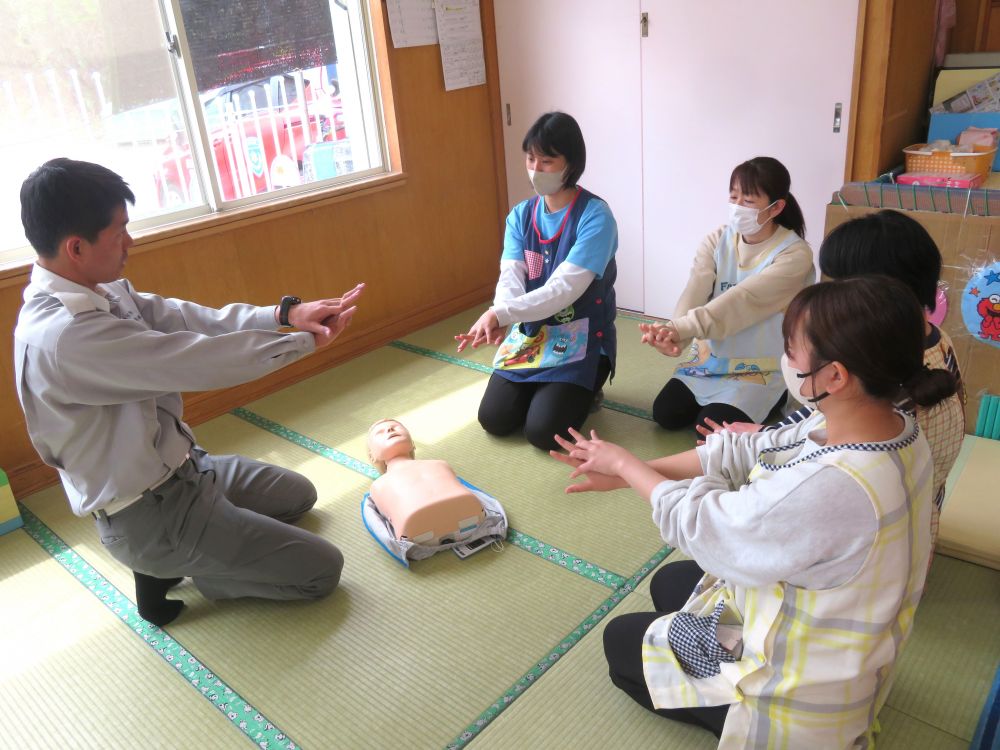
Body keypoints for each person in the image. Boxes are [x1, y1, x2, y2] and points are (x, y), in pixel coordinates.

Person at [552, 276, 957, 745]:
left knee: (619, 642)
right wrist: (631, 472)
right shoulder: (892, 425)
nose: (786, 361)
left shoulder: (834, 487)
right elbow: (749, 447)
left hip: (797, 691)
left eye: (792, 350)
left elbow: (708, 526)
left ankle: (740, 711)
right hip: (843, 635)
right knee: (668, 583)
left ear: (836, 376)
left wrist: (624, 463)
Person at [14, 158, 363, 626]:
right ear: (76, 247)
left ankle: (194, 551)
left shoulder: (99, 289)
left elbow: (184, 318)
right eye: (120, 232)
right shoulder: (66, 337)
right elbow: (196, 359)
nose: (130, 243)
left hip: (186, 469)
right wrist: (307, 342)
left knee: (297, 495)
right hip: (148, 514)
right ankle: (178, 565)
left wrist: (283, 316)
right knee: (322, 571)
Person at [698, 209, 967, 548]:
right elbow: (825, 419)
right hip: (919, 515)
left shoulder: (876, 373)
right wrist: (769, 433)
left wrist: (766, 437)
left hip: (873, 541)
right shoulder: (935, 339)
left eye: (836, 288)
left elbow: (828, 451)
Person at [456, 111, 618, 451]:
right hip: (532, 335)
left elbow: (563, 290)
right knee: (495, 419)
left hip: (581, 338)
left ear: (571, 163)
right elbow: (511, 275)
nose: (535, 170)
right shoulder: (520, 216)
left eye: (547, 161)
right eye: (530, 159)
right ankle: (547, 391)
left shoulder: (595, 216)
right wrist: (502, 313)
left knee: (544, 433)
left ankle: (588, 387)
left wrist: (502, 315)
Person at [642, 156, 814, 435]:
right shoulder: (717, 239)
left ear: (776, 207)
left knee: (706, 429)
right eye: (733, 197)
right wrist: (673, 334)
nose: (737, 207)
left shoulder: (794, 254)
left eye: (748, 201)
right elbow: (695, 288)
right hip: (712, 359)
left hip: (761, 367)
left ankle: (779, 395)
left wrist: (681, 328)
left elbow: (743, 300)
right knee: (666, 413)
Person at [366, 418, 484, 545]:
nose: (389, 430)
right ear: (372, 456)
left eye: (395, 427)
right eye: (380, 433)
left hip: (424, 531)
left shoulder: (440, 464)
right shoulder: (379, 485)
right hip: (467, 516)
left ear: (412, 443)